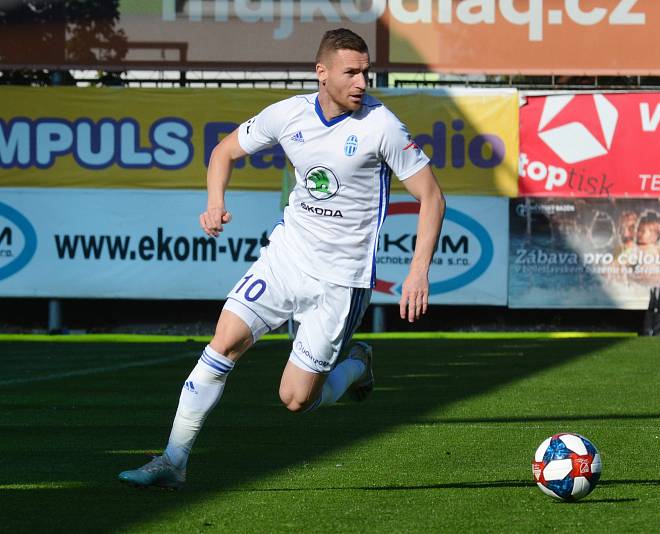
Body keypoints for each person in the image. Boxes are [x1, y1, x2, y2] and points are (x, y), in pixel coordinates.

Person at [118, 28, 446, 489]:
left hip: (342, 280)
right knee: (224, 341)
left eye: (365, 72)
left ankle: (357, 365)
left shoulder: (382, 126)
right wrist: (214, 202)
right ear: (322, 72)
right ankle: (174, 460)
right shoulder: (288, 114)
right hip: (287, 258)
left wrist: (418, 270)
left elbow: (431, 197)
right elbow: (224, 151)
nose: (361, 82)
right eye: (351, 72)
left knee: (295, 399)